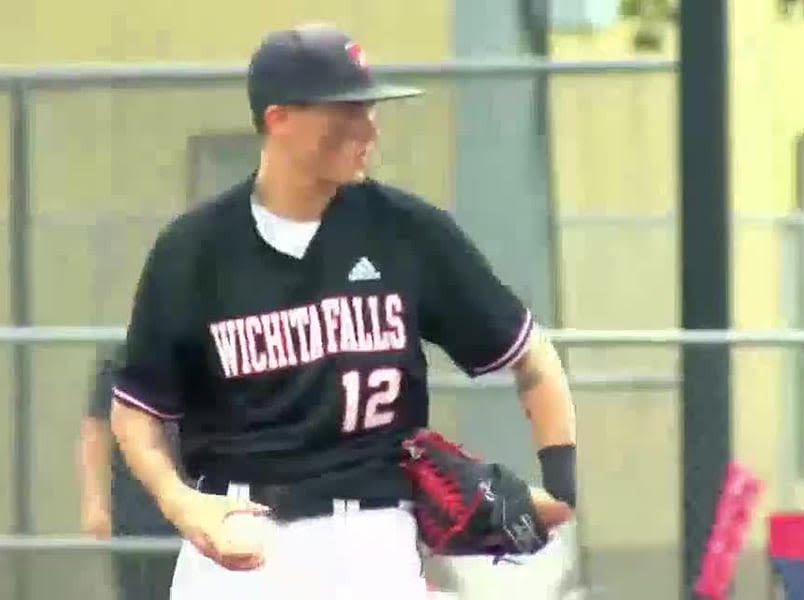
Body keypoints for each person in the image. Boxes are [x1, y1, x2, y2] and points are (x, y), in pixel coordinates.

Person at [109, 22, 579, 599]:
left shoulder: (406, 232)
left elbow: (531, 356)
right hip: (239, 539)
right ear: (279, 119)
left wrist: (561, 487)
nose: (367, 128)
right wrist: (181, 503)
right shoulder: (194, 251)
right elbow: (136, 412)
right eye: (345, 112)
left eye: (369, 110)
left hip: (371, 539)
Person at [78, 342, 180, 599]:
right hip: (136, 513)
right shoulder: (122, 358)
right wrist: (94, 502)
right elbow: (96, 432)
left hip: (197, 510)